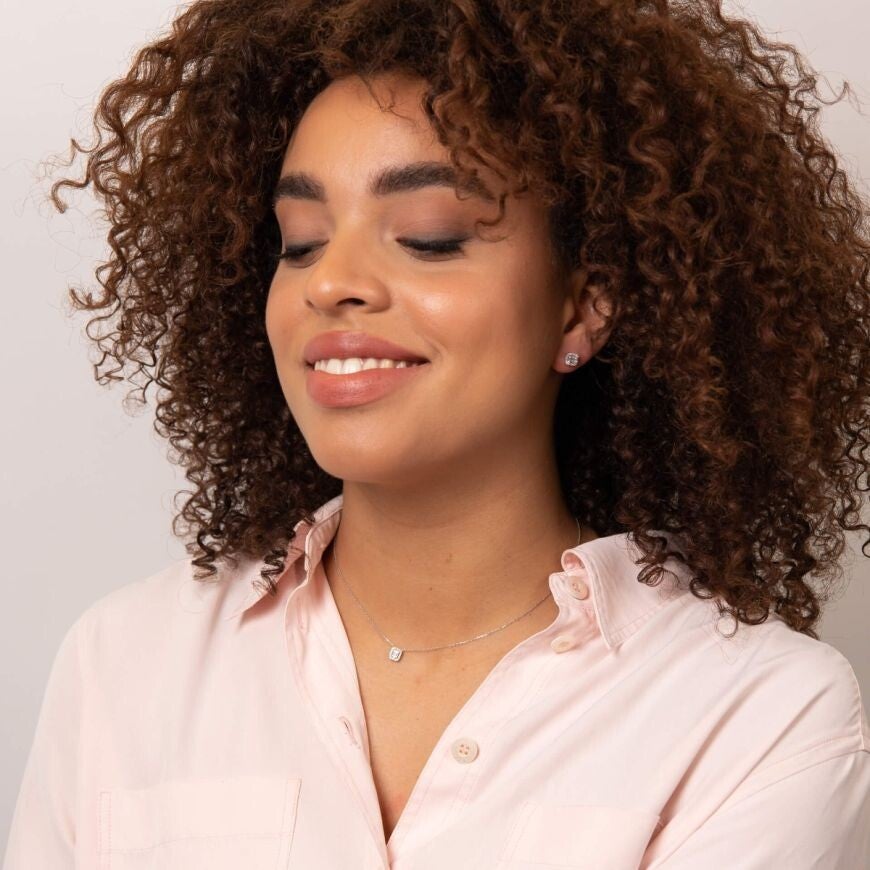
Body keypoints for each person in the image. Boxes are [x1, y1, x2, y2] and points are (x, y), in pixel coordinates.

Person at [5, 0, 870, 867]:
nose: (330, 282)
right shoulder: (123, 667)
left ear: (582, 306)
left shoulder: (759, 720)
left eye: (429, 237)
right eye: (300, 243)